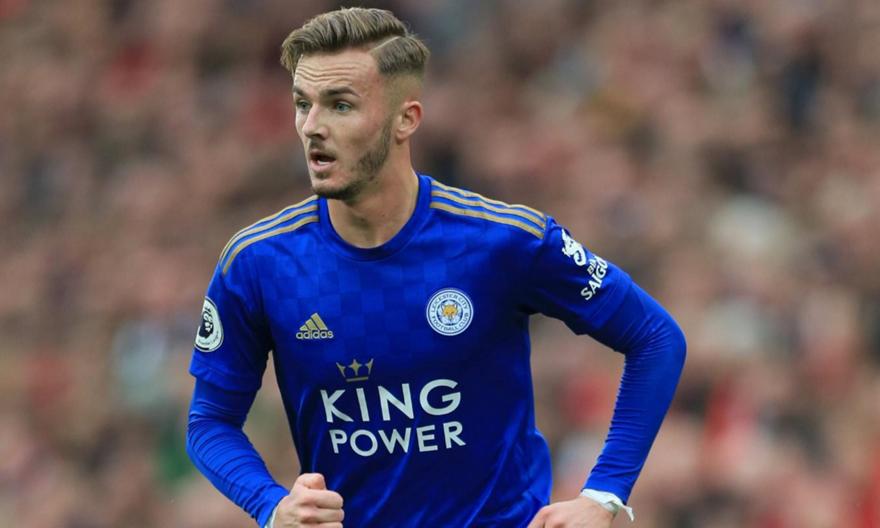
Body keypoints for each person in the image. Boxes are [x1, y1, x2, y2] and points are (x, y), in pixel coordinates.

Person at [186, 7, 686, 528]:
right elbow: (210, 422)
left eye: (340, 105)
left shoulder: (500, 241)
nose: (312, 127)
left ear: (406, 119)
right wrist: (270, 505)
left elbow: (655, 337)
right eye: (302, 104)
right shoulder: (258, 263)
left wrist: (604, 494)